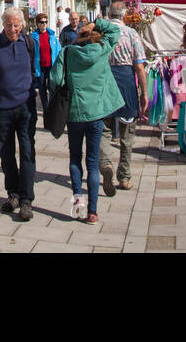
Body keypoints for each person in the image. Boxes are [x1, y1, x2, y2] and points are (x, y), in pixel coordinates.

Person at [49, 19, 121, 224]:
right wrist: (96, 22)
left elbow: (55, 79)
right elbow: (115, 31)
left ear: (79, 36)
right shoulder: (103, 49)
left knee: (74, 159)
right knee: (92, 163)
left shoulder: (68, 52)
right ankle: (93, 211)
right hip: (96, 113)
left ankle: (78, 202)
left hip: (75, 114)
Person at [0, 6, 38, 221]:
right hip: (1, 106)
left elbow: (33, 72)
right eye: (8, 25)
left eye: (16, 25)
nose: (12, 29)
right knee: (5, 153)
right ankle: (13, 193)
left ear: (22, 25)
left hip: (25, 106)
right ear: (2, 24)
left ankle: (26, 200)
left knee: (27, 151)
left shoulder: (29, 43)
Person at [99, 2, 148, 195]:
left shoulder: (101, 34)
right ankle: (125, 176)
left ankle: (105, 165)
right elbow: (139, 66)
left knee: (104, 128)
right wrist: (144, 93)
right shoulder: (131, 34)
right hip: (126, 80)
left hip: (105, 81)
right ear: (124, 15)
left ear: (109, 14)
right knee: (127, 133)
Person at [29, 13, 61, 111]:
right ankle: (45, 107)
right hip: (40, 66)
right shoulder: (34, 37)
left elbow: (58, 50)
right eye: (42, 22)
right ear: (37, 24)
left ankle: (51, 107)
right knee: (42, 88)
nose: (44, 24)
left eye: (45, 22)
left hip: (51, 66)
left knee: (52, 88)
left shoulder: (52, 35)